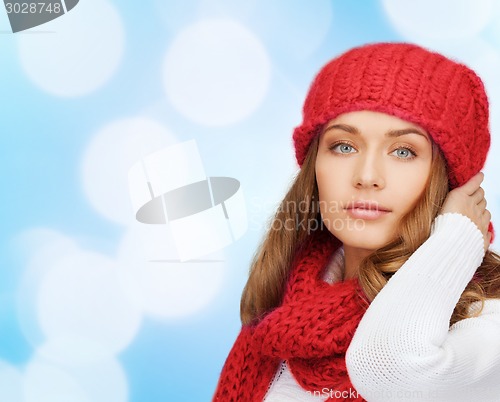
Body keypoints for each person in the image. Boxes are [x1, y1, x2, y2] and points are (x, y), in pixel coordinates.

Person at [212, 42, 500, 402]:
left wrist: (456, 238)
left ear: (451, 181)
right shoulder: (281, 314)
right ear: (314, 165)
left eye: (404, 151)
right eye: (344, 146)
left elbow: (393, 371)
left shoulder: (486, 322)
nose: (367, 176)